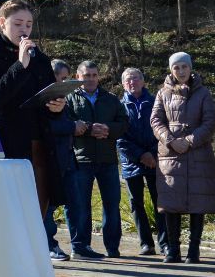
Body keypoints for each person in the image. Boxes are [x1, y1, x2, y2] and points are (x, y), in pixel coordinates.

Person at [0, 0, 66, 214]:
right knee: (7, 213)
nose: (24, 30)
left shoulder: (41, 60)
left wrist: (57, 107)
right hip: (5, 147)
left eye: (28, 24)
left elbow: (45, 100)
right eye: (17, 24)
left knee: (37, 212)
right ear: (2, 23)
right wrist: (20, 65)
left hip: (39, 146)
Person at [150, 51, 215, 264]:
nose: (180, 71)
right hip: (170, 156)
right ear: (171, 70)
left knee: (198, 203)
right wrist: (171, 140)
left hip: (198, 155)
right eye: (176, 67)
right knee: (171, 202)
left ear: (191, 68)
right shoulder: (162, 93)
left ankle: (194, 250)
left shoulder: (203, 93)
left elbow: (210, 123)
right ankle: (173, 249)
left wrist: (188, 141)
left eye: (184, 67)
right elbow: (156, 121)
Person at [65, 60, 128, 260]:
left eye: (94, 75)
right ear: (78, 76)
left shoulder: (110, 98)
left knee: (112, 204)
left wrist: (108, 129)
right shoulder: (68, 99)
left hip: (107, 159)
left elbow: (124, 123)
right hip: (81, 160)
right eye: (86, 75)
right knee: (80, 204)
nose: (91, 79)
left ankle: (112, 247)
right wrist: (90, 129)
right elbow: (66, 125)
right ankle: (81, 247)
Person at [117, 67, 167, 256]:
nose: (132, 82)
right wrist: (140, 155)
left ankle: (165, 242)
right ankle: (146, 243)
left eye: (136, 78)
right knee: (136, 203)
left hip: (156, 160)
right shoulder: (119, 106)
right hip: (132, 162)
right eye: (128, 80)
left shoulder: (156, 102)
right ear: (123, 84)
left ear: (143, 81)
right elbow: (120, 138)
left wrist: (152, 154)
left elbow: (163, 129)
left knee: (160, 202)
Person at [43, 59, 75, 261]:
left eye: (66, 79)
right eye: (61, 78)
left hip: (65, 159)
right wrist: (74, 126)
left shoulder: (63, 100)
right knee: (47, 207)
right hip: (48, 160)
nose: (64, 83)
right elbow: (46, 128)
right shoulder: (45, 99)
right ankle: (49, 245)